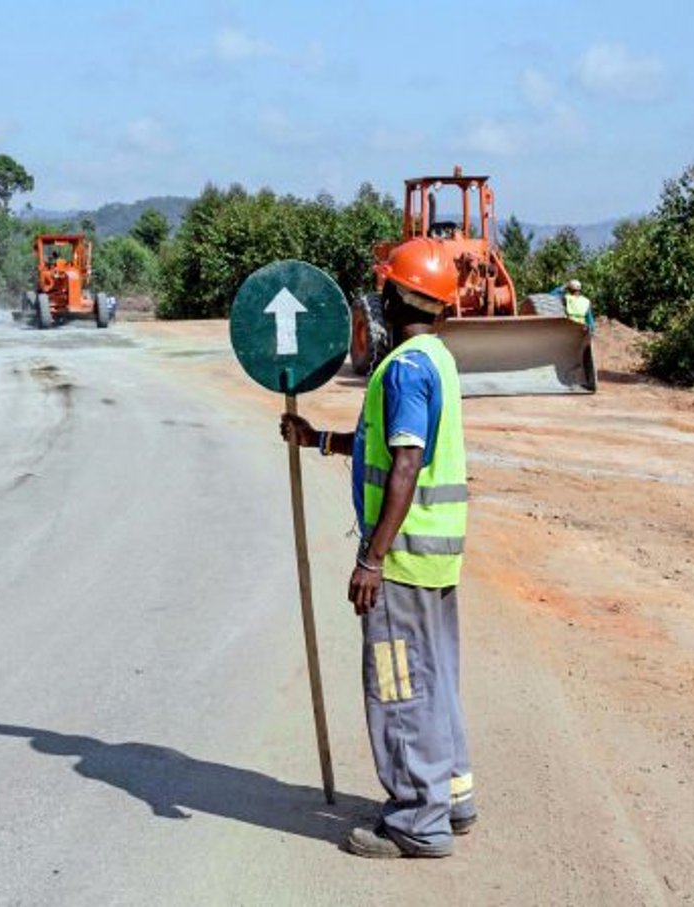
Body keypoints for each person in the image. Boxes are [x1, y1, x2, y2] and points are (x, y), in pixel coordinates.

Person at [280, 238, 475, 859]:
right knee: (434, 676)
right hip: (433, 558)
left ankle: (418, 822)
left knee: (398, 685)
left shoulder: (405, 369)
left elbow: (408, 463)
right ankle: (450, 795)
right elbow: (385, 451)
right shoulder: (435, 358)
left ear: (392, 295)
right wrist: (320, 441)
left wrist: (372, 559)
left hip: (403, 562)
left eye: (384, 286)